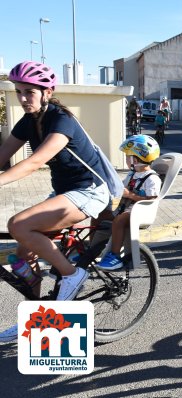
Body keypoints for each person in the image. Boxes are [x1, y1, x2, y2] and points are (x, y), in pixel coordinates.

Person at [0, 61, 112, 341]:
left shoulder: (62, 120)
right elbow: (2, 155)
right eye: (18, 92)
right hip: (64, 192)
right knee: (24, 257)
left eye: (30, 92)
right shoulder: (29, 121)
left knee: (19, 225)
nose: (23, 98)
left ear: (47, 92)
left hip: (89, 191)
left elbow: (36, 161)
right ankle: (34, 322)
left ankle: (72, 274)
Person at [96, 135, 161, 271]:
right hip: (126, 209)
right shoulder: (132, 174)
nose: (125, 159)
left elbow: (151, 201)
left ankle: (114, 256)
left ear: (136, 159)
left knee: (119, 220)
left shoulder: (152, 179)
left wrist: (130, 195)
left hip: (140, 213)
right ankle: (91, 251)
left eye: (127, 156)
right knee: (100, 214)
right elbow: (121, 189)